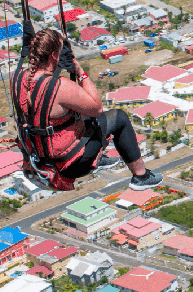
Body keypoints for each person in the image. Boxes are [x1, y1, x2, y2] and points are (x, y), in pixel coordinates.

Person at [14, 29, 162, 191]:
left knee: (80, 114)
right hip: (69, 164)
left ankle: (100, 156)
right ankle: (141, 176)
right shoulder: (60, 86)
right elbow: (97, 107)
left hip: (39, 158)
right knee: (118, 118)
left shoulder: (18, 78)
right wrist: (79, 71)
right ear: (53, 56)